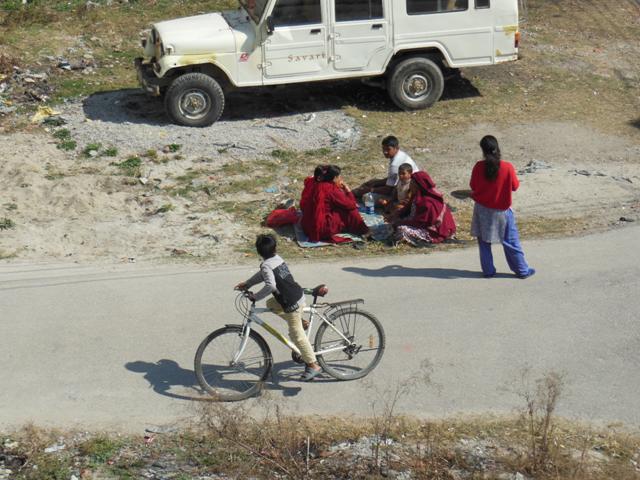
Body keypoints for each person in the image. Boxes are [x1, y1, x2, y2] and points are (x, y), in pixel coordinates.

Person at [234, 234, 322, 381]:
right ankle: (301, 321)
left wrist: (255, 296)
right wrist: (248, 284)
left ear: (259, 252)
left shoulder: (266, 264)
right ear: (275, 248)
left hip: (292, 303)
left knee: (297, 336)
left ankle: (313, 365)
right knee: (271, 304)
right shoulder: (277, 259)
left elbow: (270, 285)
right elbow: (264, 274)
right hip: (296, 295)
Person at [469, 135, 535, 279]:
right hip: (502, 212)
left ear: (483, 150)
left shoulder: (478, 167)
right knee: (511, 242)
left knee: (484, 242)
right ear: (497, 148)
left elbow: (473, 186)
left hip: (481, 210)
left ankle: (488, 271)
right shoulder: (507, 167)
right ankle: (522, 270)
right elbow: (515, 186)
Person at [300, 165, 369, 242]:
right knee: (351, 211)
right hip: (321, 229)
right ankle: (364, 230)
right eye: (339, 177)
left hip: (307, 226)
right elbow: (351, 205)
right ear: (334, 178)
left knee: (339, 207)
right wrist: (348, 191)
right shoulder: (331, 189)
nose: (340, 179)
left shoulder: (314, 183)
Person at [393, 171, 456, 245]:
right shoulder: (417, 196)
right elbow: (407, 209)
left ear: (419, 186)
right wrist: (396, 215)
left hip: (433, 231)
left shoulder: (427, 202)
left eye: (412, 184)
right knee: (396, 222)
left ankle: (423, 241)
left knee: (402, 229)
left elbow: (421, 222)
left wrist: (401, 222)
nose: (410, 186)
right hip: (418, 223)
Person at [353, 136, 420, 204]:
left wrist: (370, 190)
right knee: (373, 182)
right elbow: (393, 179)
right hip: (402, 185)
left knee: (367, 197)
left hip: (406, 193)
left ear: (396, 148)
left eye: (388, 149)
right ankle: (355, 193)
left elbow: (388, 189)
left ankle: (355, 194)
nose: (385, 152)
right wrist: (375, 183)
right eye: (383, 149)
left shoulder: (395, 164)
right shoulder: (400, 154)